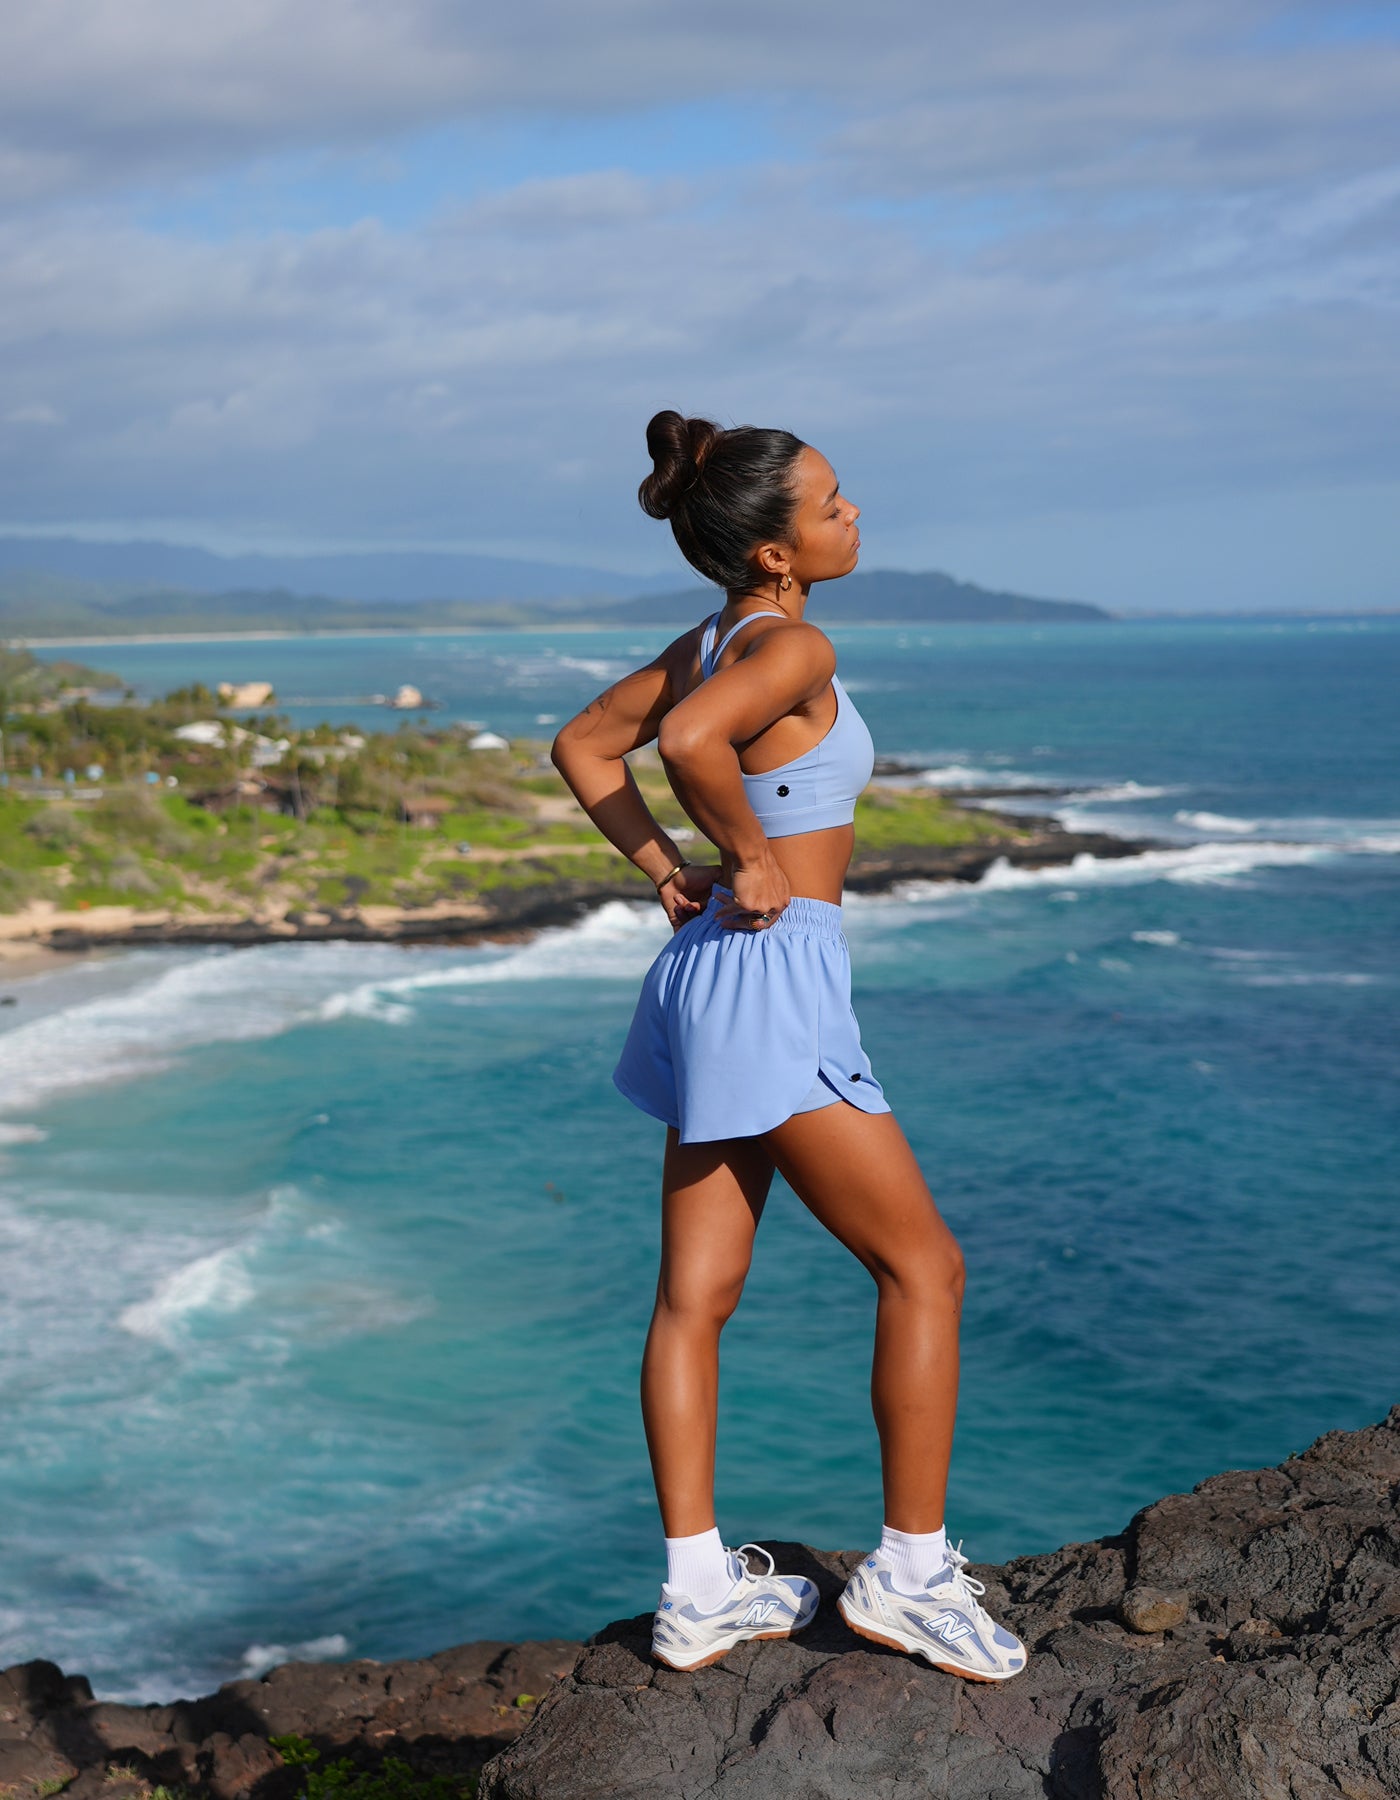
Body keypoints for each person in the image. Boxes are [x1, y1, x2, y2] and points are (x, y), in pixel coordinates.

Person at [551, 411, 1026, 1682]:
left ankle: (696, 1588)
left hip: (703, 974)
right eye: (829, 503)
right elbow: (689, 745)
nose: (851, 513)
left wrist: (666, 871)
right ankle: (908, 1576)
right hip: (771, 974)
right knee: (922, 1268)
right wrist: (746, 856)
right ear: (773, 552)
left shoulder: (707, 643)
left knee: (692, 1298)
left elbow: (583, 743)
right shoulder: (793, 643)